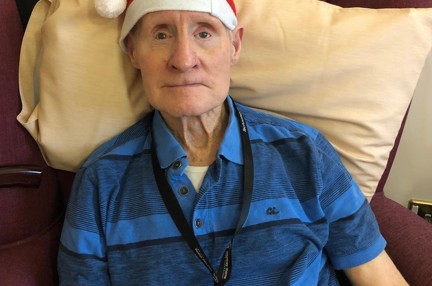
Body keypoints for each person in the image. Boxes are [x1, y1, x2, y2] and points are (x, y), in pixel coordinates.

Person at [58, 0, 408, 285]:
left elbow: (376, 275)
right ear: (133, 52)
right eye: (162, 35)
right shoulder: (100, 181)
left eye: (204, 33)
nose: (183, 60)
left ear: (235, 46)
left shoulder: (305, 152)